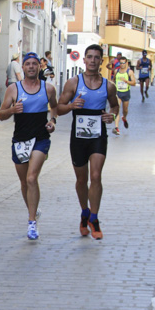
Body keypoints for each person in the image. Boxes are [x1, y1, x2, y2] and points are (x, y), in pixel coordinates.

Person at [56, 44, 119, 240]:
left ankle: (95, 217)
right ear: (84, 60)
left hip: (98, 135)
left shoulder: (108, 85)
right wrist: (72, 105)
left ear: (102, 61)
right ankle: (84, 212)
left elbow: (115, 106)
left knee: (97, 175)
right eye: (89, 57)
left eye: (96, 57)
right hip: (78, 137)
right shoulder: (73, 83)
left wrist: (112, 116)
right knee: (82, 180)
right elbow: (58, 107)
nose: (92, 60)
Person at [0, 52, 57, 241]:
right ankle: (34, 210)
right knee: (24, 182)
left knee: (32, 178)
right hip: (20, 140)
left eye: (34, 64)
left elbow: (54, 107)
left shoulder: (48, 88)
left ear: (39, 67)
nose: (31, 67)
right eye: (27, 64)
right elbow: (1, 114)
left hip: (40, 138)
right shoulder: (14, 89)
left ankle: (32, 222)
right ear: (22, 67)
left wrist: (53, 120)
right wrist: (12, 110)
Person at [112, 57, 136, 135]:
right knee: (117, 109)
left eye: (123, 63)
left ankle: (124, 117)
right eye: (120, 63)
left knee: (125, 110)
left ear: (126, 63)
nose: (122, 65)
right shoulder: (117, 71)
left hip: (126, 93)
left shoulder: (129, 72)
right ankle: (116, 128)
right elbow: (114, 80)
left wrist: (126, 81)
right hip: (118, 92)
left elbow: (134, 83)